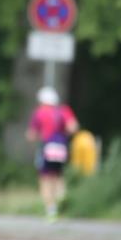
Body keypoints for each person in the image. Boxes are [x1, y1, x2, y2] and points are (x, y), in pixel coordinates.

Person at [26, 86, 79, 222]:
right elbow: (73, 127)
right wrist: (63, 134)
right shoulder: (64, 110)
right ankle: (61, 196)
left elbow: (31, 135)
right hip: (61, 147)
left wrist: (37, 136)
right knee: (58, 175)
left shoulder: (39, 113)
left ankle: (51, 210)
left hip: (47, 147)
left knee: (45, 179)